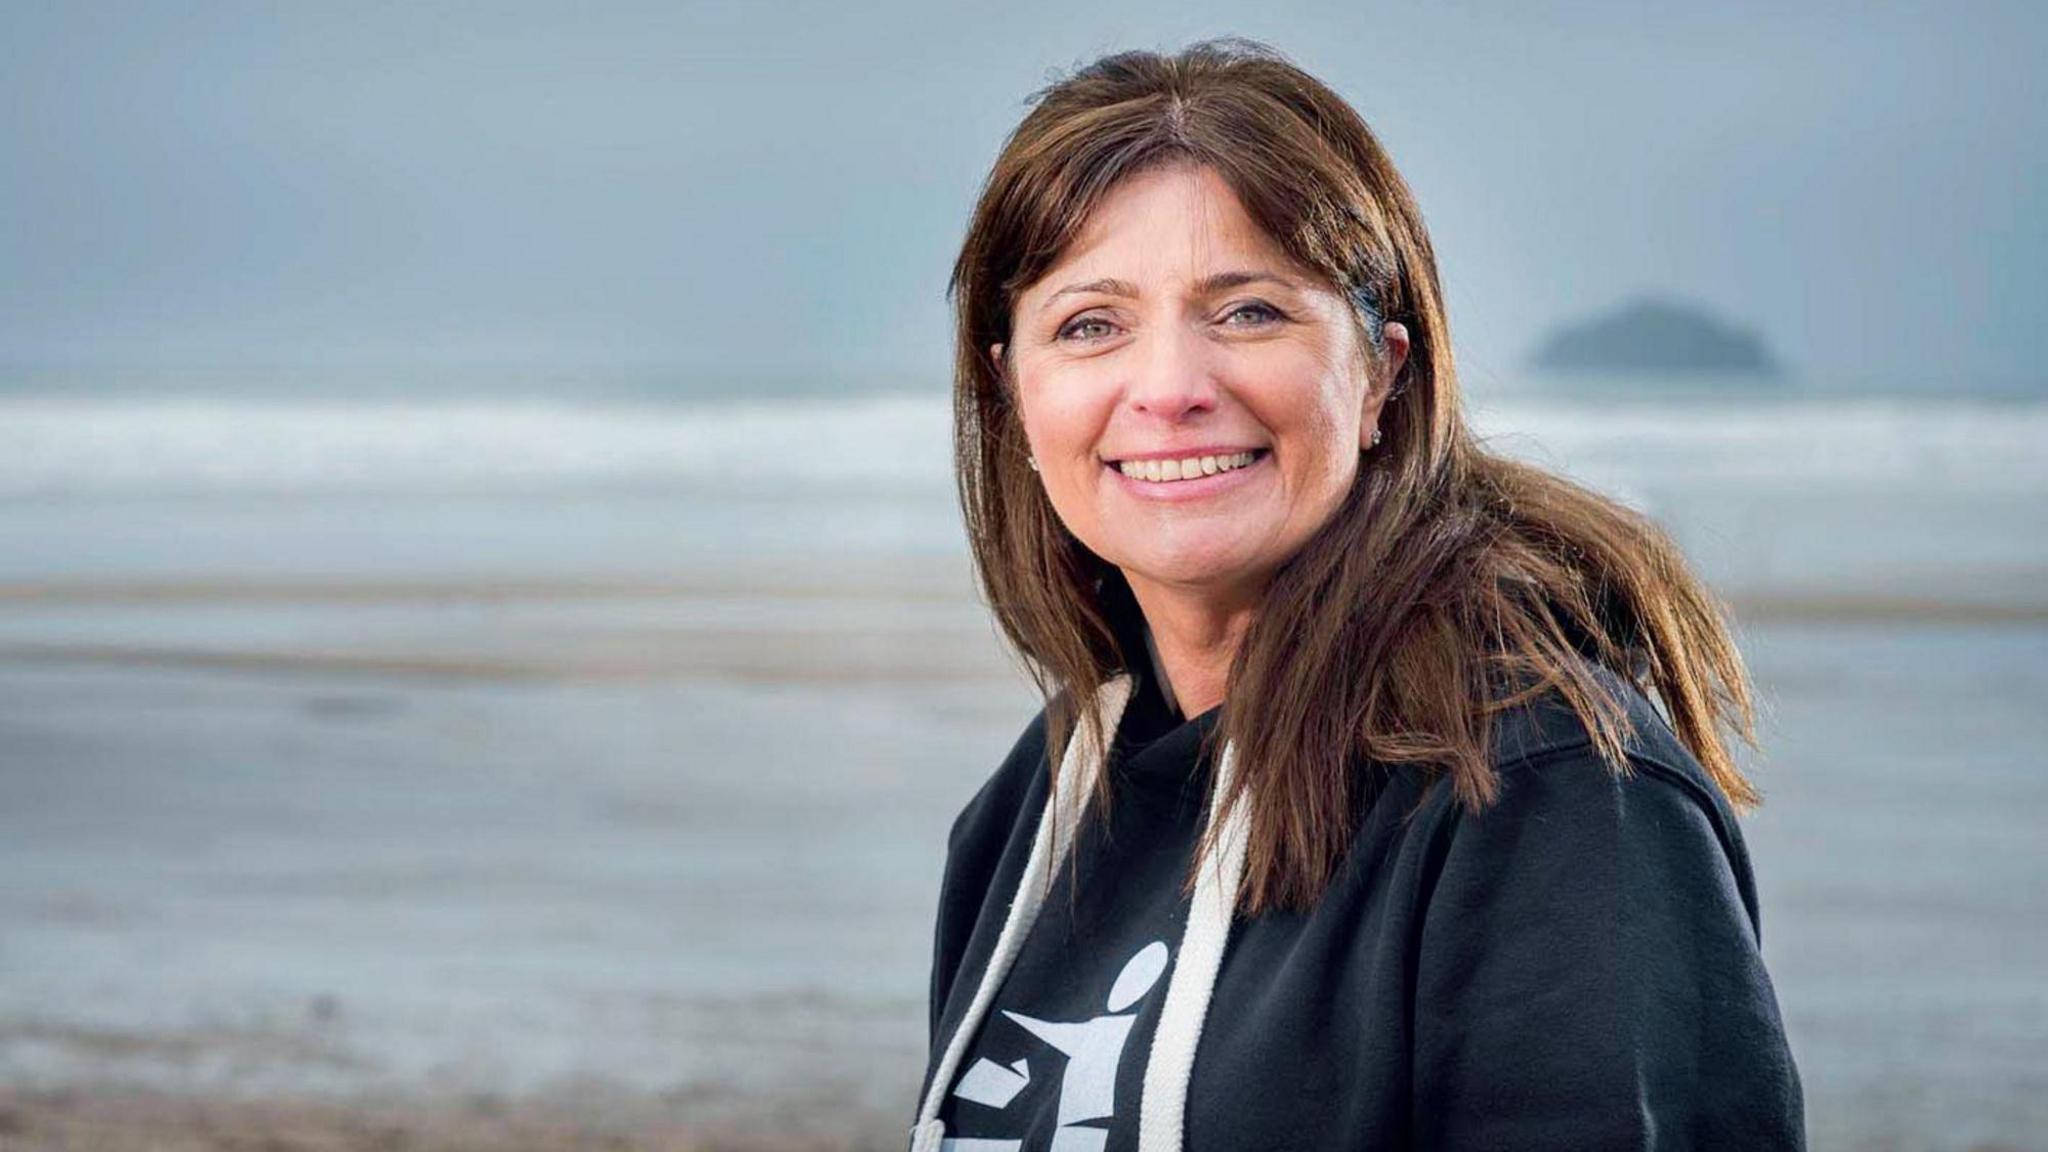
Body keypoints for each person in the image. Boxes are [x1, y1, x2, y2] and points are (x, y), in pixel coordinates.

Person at [911, 39, 1805, 1152]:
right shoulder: (1036, 806)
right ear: (1011, 395)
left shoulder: (1543, 786)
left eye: (1248, 312)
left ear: (1379, 372)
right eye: (1090, 324)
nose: (1171, 389)